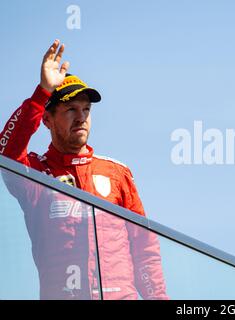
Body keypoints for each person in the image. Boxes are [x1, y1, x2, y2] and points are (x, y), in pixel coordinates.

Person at [0, 39, 169, 300]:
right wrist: (42, 92)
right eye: (70, 109)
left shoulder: (117, 172)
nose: (81, 117)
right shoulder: (35, 173)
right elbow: (6, 153)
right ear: (47, 119)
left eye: (86, 109)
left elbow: (144, 247)